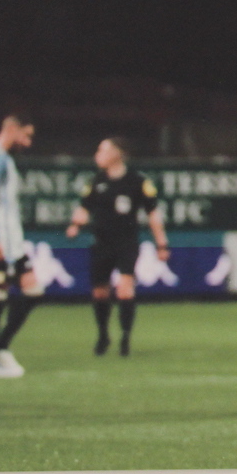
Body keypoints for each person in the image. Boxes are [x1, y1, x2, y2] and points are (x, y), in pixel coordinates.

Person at [65, 137, 170, 357]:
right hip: (101, 243)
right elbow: (84, 207)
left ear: (116, 154)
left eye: (102, 150)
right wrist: (75, 225)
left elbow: (153, 213)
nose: (98, 154)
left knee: (124, 287)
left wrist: (162, 243)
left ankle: (125, 337)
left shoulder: (137, 182)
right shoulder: (96, 181)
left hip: (126, 243)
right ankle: (103, 334)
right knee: (100, 292)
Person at [0, 114, 41, 378]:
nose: (28, 141)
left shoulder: (3, 159)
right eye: (26, 135)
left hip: (13, 244)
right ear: (12, 129)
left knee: (33, 290)